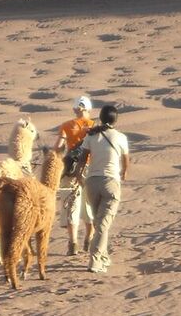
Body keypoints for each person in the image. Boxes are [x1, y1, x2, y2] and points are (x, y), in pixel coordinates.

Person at [76, 105, 130, 274]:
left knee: (99, 222)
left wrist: (78, 175)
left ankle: (103, 256)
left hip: (91, 183)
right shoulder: (120, 137)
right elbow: (126, 161)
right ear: (116, 119)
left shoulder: (91, 136)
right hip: (110, 182)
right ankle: (95, 260)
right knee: (102, 225)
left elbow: (82, 158)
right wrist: (124, 173)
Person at [55, 96, 95, 256]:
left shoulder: (66, 126)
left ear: (75, 109)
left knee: (71, 203)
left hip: (71, 169)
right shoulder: (94, 126)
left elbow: (57, 148)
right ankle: (89, 237)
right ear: (88, 109)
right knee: (89, 204)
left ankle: (72, 243)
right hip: (90, 169)